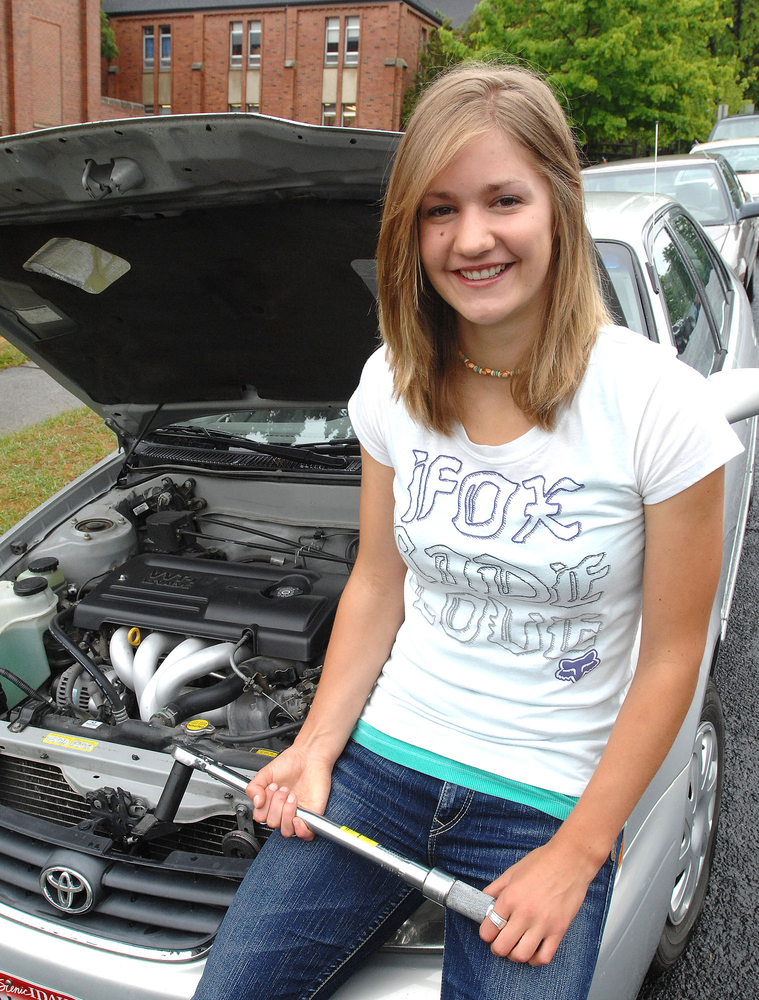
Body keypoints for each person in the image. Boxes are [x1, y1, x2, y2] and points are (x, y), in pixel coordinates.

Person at [192, 63, 741, 1000]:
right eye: (438, 210)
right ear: (408, 229)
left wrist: (578, 851)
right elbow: (377, 580)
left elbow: (670, 659)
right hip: (384, 763)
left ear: (559, 205)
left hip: (540, 803)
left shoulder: (659, 409)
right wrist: (319, 744)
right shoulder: (391, 385)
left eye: (503, 200)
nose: (471, 238)